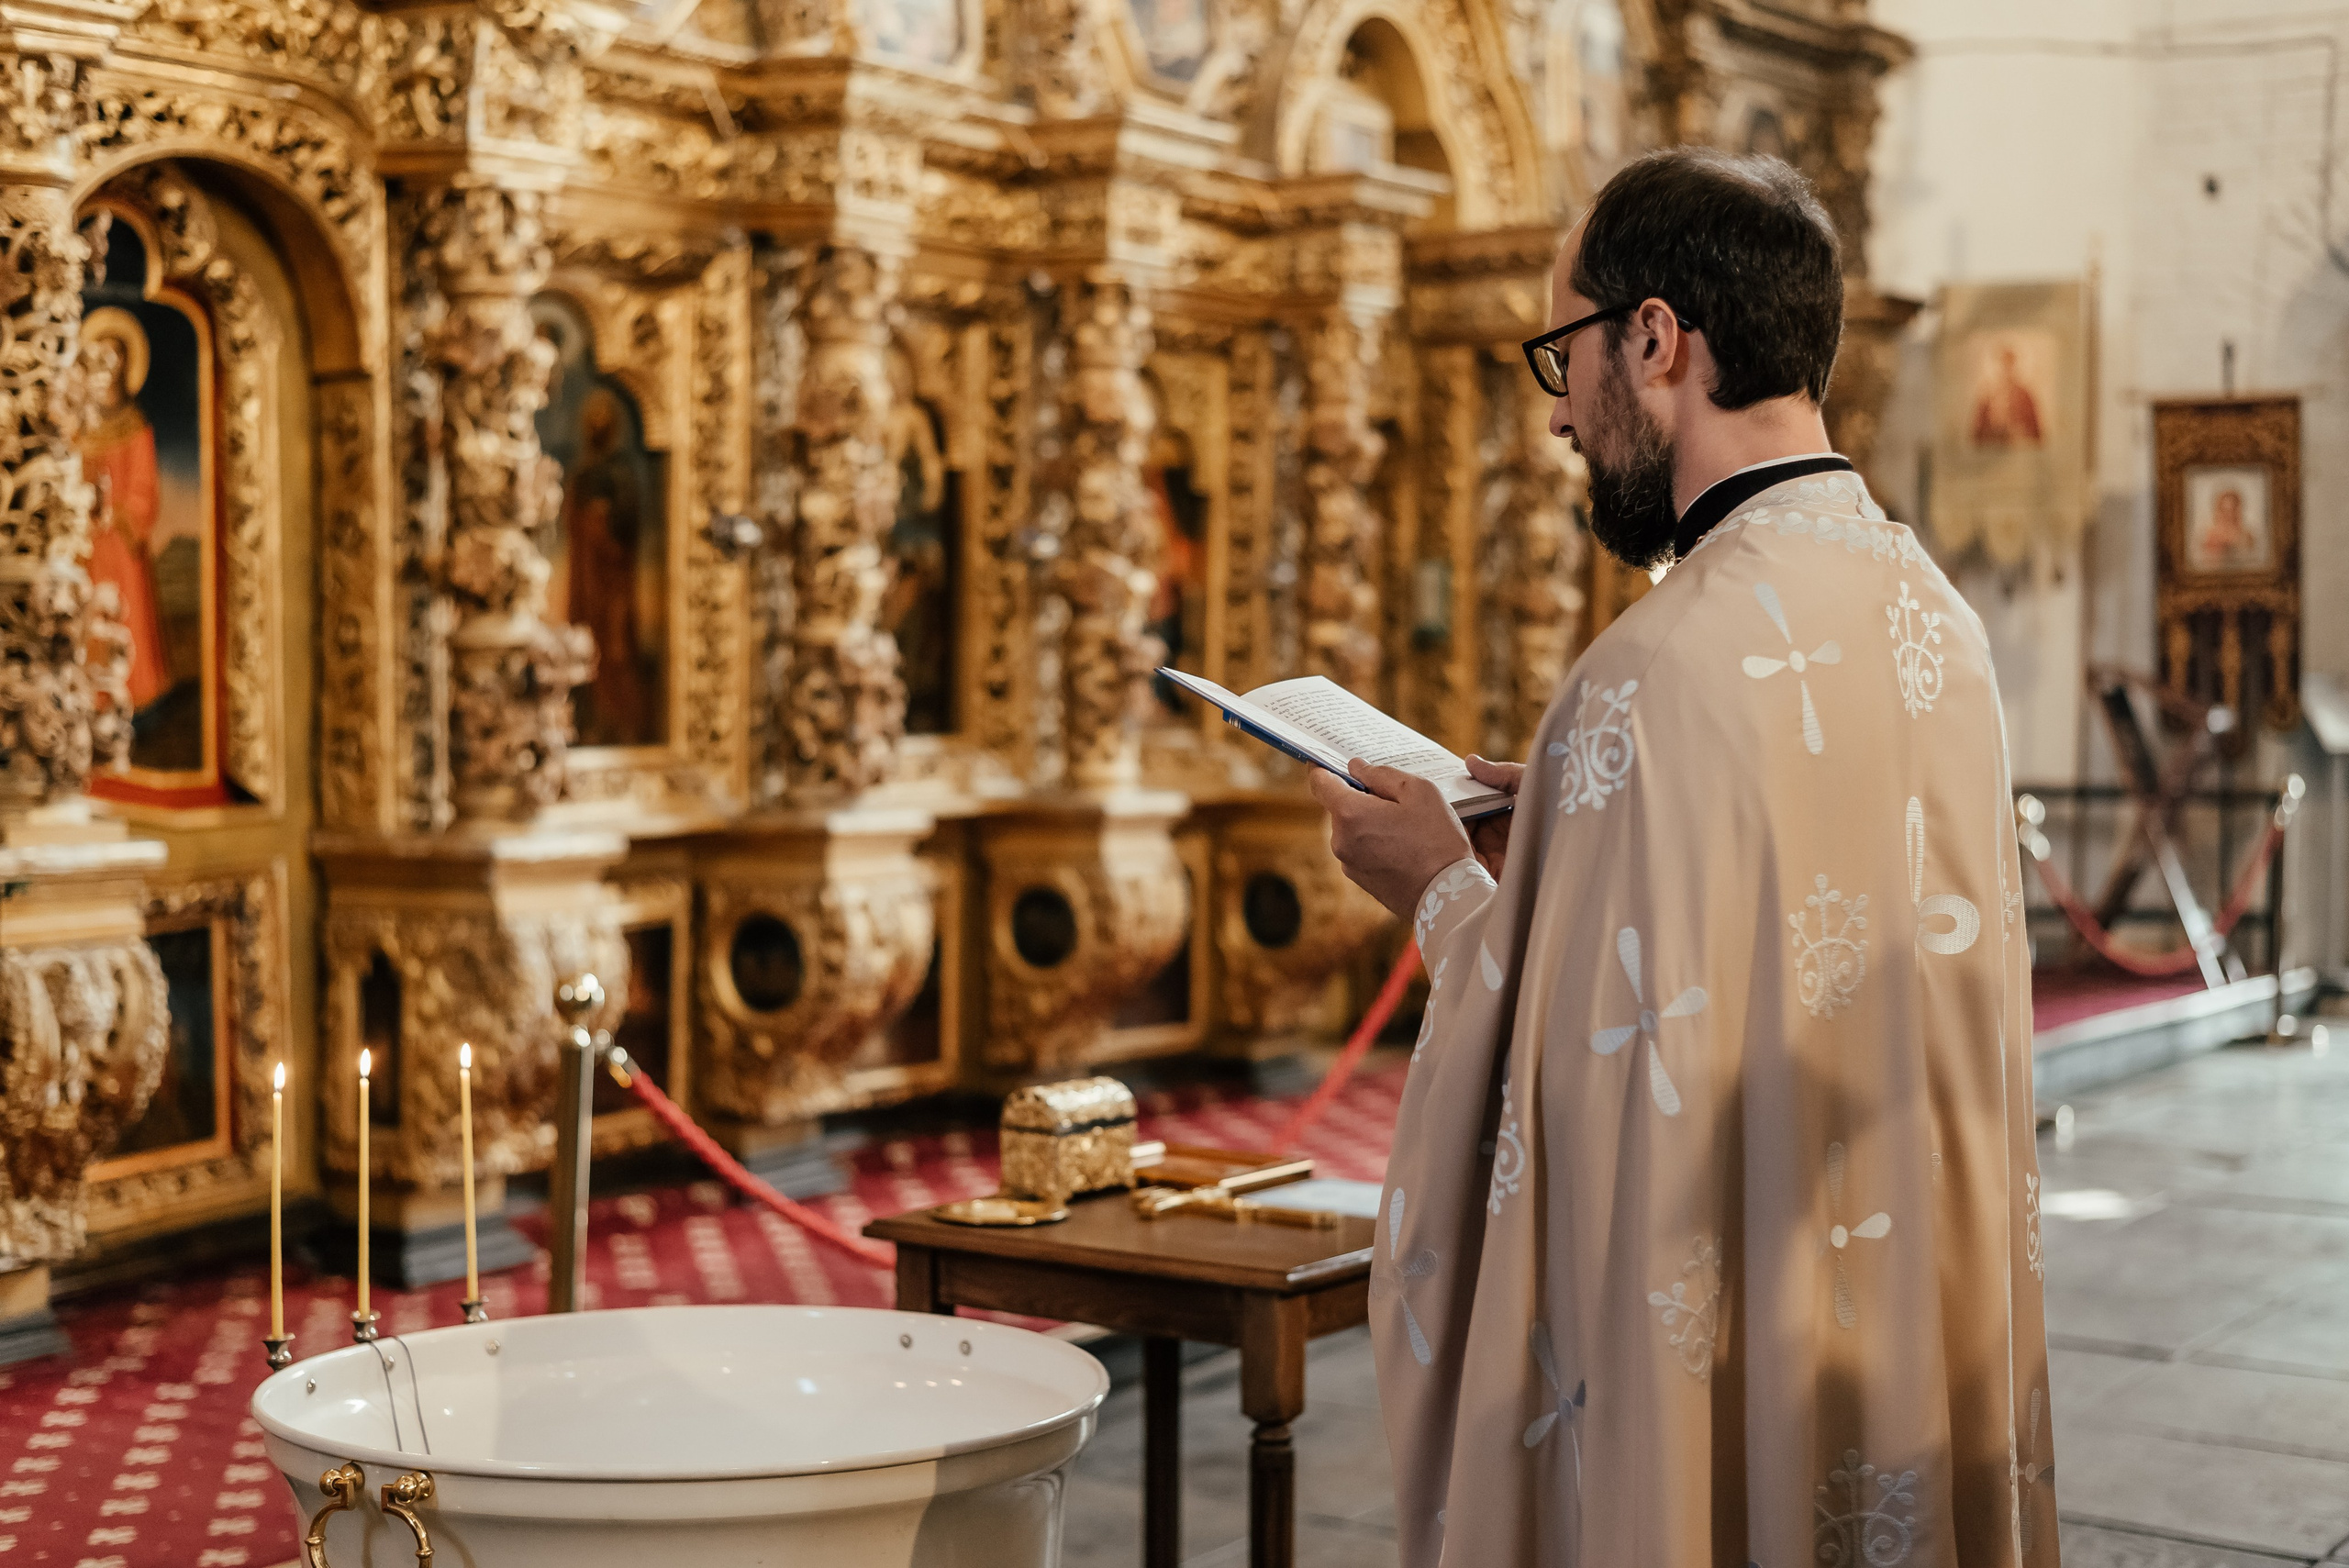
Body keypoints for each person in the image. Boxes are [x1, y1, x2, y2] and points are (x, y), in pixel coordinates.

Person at [1313, 148, 2055, 1565]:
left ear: (1654, 339)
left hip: (1737, 1340)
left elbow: (1576, 1108)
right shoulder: (1937, 620)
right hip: (1895, 1327)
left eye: (1563, 352)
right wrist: (1577, 831)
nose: (1558, 422)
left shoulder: (1651, 671)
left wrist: (1440, 884)